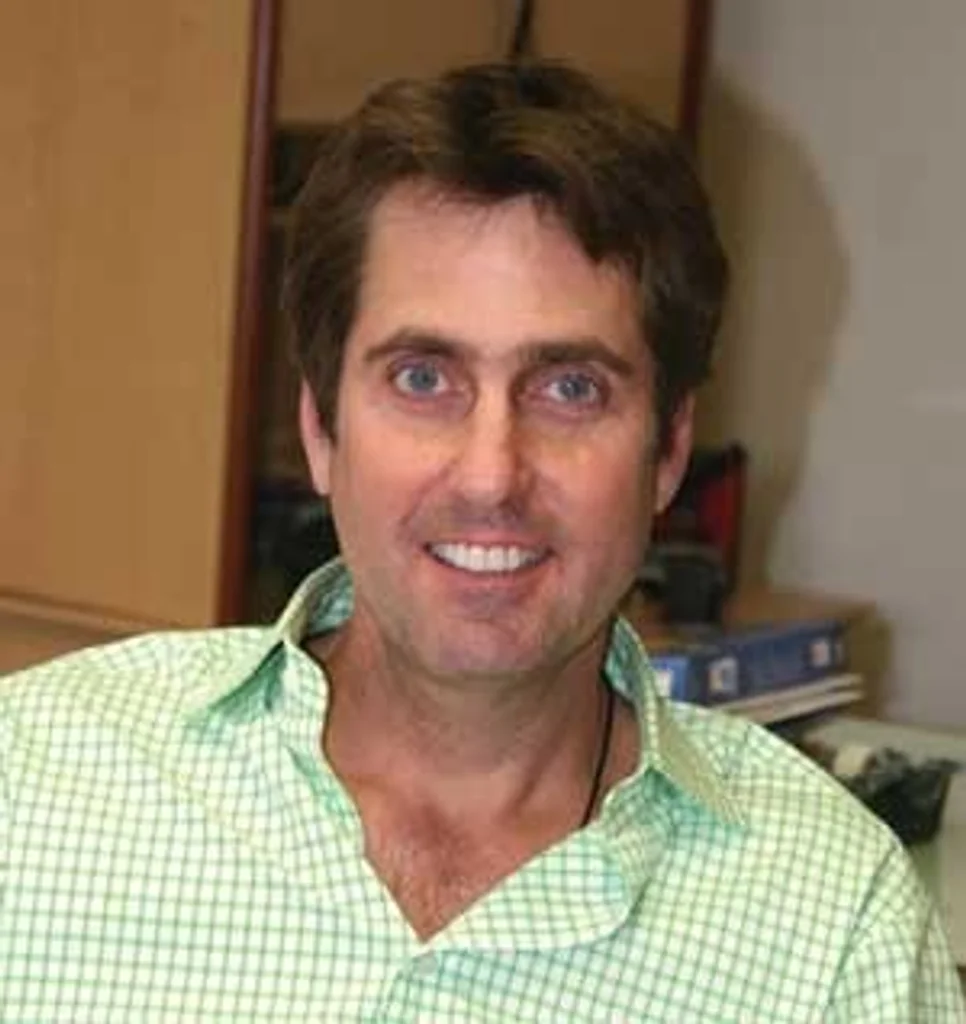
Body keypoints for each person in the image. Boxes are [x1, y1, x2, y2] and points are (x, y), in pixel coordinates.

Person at [1, 62, 962, 1022]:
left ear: (669, 453)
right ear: (321, 428)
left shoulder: (835, 924)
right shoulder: (31, 784)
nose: (490, 476)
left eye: (571, 388)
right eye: (423, 379)